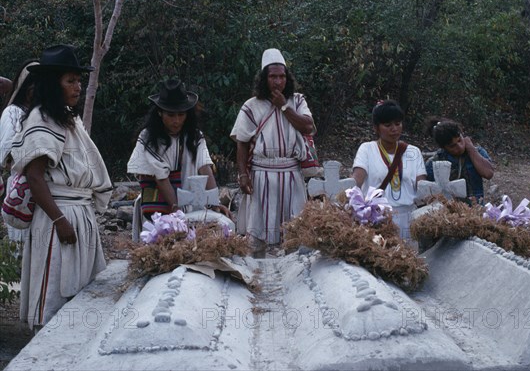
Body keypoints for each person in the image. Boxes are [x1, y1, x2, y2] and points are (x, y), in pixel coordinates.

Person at [10, 44, 113, 329]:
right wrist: (60, 220)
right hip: (57, 216)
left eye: (79, 80)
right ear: (53, 85)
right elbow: (34, 177)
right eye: (71, 80)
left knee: (79, 288)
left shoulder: (67, 119)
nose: (78, 86)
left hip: (78, 212)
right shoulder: (41, 120)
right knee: (54, 287)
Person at [230, 48, 314, 257]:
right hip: (262, 173)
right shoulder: (251, 106)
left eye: (282, 76)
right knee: (258, 231)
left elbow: (308, 127)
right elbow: (241, 142)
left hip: (291, 172)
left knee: (294, 230)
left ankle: (294, 274)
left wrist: (284, 107)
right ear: (264, 79)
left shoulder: (297, 101)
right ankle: (256, 273)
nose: (278, 82)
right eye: (273, 77)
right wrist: (243, 174)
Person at [127, 79, 232, 235]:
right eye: (170, 115)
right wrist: (177, 210)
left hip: (190, 201)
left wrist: (213, 204)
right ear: (160, 113)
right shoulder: (149, 138)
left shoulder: (195, 137)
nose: (176, 121)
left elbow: (204, 167)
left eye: (181, 114)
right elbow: (161, 177)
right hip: (159, 205)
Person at [352, 100, 426, 245]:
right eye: (388, 125)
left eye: (398, 124)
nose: (394, 129)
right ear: (376, 128)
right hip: (378, 219)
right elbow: (356, 181)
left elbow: (422, 187)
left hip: (410, 218)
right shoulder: (367, 149)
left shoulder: (413, 151)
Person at [0, 59, 39, 243]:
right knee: (21, 245)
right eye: (34, 84)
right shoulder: (13, 113)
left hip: (43, 190)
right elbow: (6, 154)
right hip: (21, 189)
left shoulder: (43, 113)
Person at [424, 117, 494, 204]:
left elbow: (488, 173)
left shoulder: (477, 152)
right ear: (443, 147)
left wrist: (471, 148)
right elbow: (428, 192)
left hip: (476, 209)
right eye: (452, 146)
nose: (459, 147)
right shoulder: (434, 163)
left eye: (460, 140)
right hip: (448, 212)